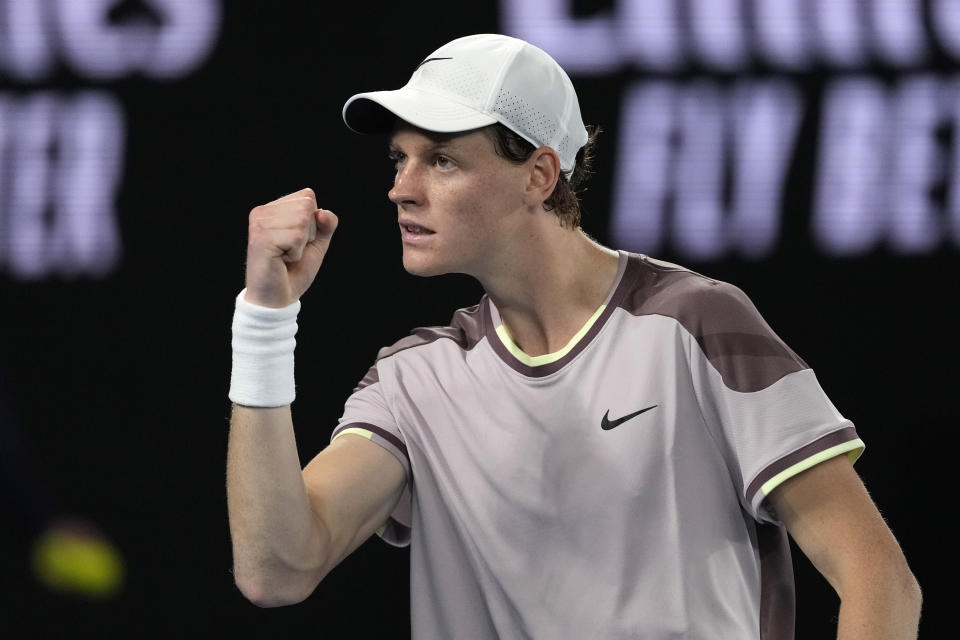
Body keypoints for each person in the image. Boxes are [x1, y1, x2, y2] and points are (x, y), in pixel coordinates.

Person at [226, 34, 921, 639]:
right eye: (398, 160)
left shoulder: (698, 325)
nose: (401, 189)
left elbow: (878, 578)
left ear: (539, 174)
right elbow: (276, 569)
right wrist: (264, 319)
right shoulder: (414, 381)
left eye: (441, 160)